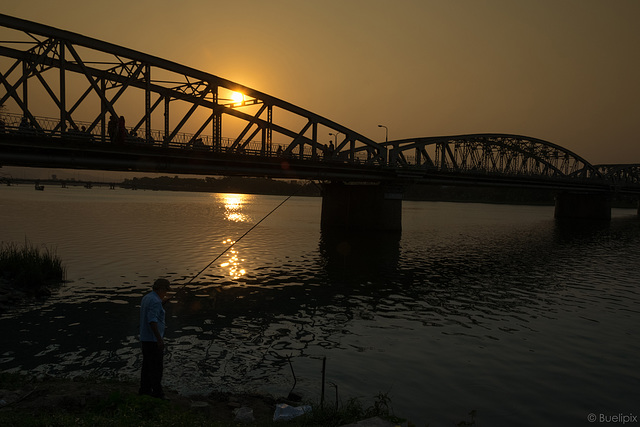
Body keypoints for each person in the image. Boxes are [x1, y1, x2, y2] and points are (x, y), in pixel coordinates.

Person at [139, 278, 172, 398]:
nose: (166, 293)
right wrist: (159, 339)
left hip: (145, 338)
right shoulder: (155, 301)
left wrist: (161, 304)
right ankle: (158, 394)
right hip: (153, 340)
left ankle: (144, 391)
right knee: (157, 369)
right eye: (165, 291)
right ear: (161, 289)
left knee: (147, 367)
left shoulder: (147, 297)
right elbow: (152, 321)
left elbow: (151, 311)